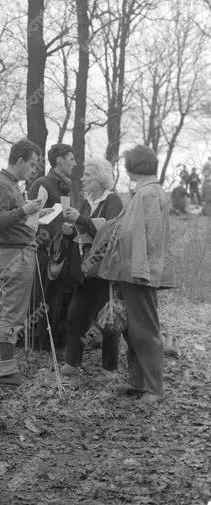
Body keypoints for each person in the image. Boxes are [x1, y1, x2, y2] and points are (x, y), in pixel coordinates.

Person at [96, 145, 174, 404]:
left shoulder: (148, 194)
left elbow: (144, 237)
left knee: (145, 329)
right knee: (132, 329)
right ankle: (138, 381)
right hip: (131, 271)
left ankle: (154, 388)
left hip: (137, 272)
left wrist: (138, 270)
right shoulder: (147, 192)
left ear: (131, 168)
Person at [0, 138, 44, 386]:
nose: (33, 171)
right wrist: (25, 211)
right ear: (19, 160)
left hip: (18, 253)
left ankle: (8, 368)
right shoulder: (2, 185)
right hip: (12, 255)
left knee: (14, 312)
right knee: (11, 313)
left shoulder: (11, 185)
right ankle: (6, 372)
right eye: (31, 165)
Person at [61, 157, 124, 378]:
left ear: (99, 178)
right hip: (84, 269)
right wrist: (69, 230)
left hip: (104, 270)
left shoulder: (113, 200)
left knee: (108, 320)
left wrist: (81, 219)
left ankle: (110, 369)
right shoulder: (85, 200)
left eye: (87, 174)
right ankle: (71, 363)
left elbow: (112, 234)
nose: (82, 178)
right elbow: (81, 227)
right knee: (75, 315)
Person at [27, 143, 76, 351]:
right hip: (43, 252)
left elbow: (64, 217)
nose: (75, 163)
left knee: (60, 297)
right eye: (71, 158)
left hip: (62, 253)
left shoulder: (65, 186)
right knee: (43, 299)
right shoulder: (42, 184)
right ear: (59, 161)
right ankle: (40, 343)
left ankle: (56, 341)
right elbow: (31, 220)